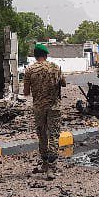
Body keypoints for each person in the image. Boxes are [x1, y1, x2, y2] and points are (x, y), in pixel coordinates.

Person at [23, 43, 66, 178]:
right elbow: (63, 83)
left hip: (39, 108)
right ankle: (52, 169)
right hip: (54, 107)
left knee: (42, 135)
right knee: (53, 136)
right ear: (46, 55)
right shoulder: (55, 67)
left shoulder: (29, 70)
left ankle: (44, 164)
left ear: (35, 56)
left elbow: (25, 92)